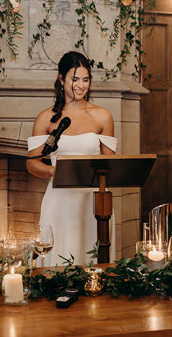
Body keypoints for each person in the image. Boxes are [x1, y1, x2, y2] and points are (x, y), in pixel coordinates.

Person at [27, 51, 116, 266]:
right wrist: (53, 171)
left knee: (93, 260)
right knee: (58, 260)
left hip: (92, 200)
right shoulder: (46, 118)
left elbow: (110, 164)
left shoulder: (103, 116)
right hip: (59, 199)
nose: (81, 85)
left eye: (85, 80)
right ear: (61, 79)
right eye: (75, 79)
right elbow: (32, 163)